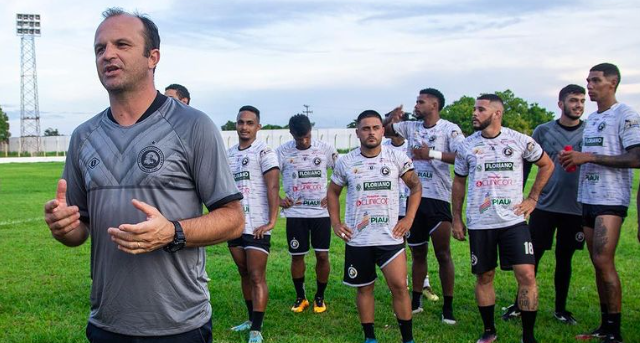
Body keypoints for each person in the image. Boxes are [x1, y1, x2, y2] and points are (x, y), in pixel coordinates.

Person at [43, 8, 244, 343]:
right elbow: (80, 231)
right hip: (107, 323)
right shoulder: (84, 136)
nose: (108, 54)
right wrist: (64, 227)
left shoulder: (193, 126)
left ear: (153, 57)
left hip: (180, 324)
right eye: (100, 48)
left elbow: (233, 219)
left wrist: (172, 232)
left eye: (122, 44)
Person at [452, 94, 554, 343]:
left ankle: (528, 336)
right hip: (480, 221)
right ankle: (489, 331)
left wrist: (533, 198)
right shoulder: (466, 146)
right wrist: (456, 217)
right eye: (474, 109)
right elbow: (458, 182)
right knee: (484, 276)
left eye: (480, 109)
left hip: (513, 221)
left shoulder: (519, 140)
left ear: (497, 113)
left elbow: (547, 164)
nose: (474, 113)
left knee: (527, 275)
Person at [559, 63, 640, 343]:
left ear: (613, 83)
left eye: (595, 81)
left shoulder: (626, 115)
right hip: (588, 198)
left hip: (611, 200)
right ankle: (604, 325)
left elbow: (636, 158)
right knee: (596, 262)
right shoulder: (593, 119)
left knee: (605, 260)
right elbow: (590, 154)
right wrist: (573, 157)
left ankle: (615, 331)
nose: (589, 86)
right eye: (588, 80)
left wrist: (588, 158)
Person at [327, 110, 422, 343]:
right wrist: (336, 222)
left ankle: (407, 339)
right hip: (359, 238)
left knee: (399, 286)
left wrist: (408, 219)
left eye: (376, 127)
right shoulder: (346, 162)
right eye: (366, 128)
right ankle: (370, 337)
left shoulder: (396, 157)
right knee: (364, 288)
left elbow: (416, 187)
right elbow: (332, 192)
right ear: (358, 132)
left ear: (382, 130)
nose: (371, 132)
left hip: (390, 237)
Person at [501, 84, 587, 324]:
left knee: (565, 257)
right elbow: (527, 164)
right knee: (531, 258)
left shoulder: (589, 132)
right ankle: (520, 304)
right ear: (561, 104)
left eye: (582, 101)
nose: (578, 105)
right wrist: (521, 196)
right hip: (544, 205)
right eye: (573, 100)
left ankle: (560, 308)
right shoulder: (543, 130)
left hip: (574, 207)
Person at [383, 88, 464, 322]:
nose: (416, 106)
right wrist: (392, 117)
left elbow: (464, 155)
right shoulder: (411, 127)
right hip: (414, 199)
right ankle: (416, 299)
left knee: (443, 254)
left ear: (434, 105)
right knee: (418, 253)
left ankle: (448, 306)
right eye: (416, 101)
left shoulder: (450, 129)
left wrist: (433, 154)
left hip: (437, 198)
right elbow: (385, 130)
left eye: (421, 102)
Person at [227, 105, 280, 343]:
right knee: (243, 271)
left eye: (250, 123)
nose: (244, 127)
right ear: (235, 125)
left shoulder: (265, 152)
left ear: (258, 126)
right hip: (235, 224)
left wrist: (271, 220)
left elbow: (273, 187)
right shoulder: (228, 155)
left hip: (257, 223)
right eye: (241, 122)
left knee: (257, 275)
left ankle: (256, 329)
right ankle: (250, 319)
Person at [276, 114, 338, 314]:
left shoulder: (325, 149)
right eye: (299, 137)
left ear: (311, 131)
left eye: (307, 137)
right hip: (295, 213)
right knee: (297, 256)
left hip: (320, 214)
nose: (303, 141)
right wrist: (278, 200)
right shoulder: (282, 152)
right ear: (291, 133)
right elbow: (266, 178)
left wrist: (331, 195)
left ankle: (320, 297)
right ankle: (300, 297)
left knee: (322, 256)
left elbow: (342, 174)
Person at [382, 122, 437, 302]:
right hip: (392, 205)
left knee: (417, 248)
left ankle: (424, 283)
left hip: (409, 202)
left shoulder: (410, 146)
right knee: (399, 244)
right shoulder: (383, 148)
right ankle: (402, 283)